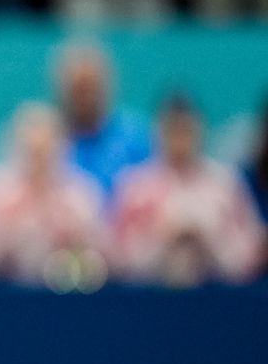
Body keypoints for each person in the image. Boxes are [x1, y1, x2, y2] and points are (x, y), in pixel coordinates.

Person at [111, 95, 265, 287]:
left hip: (219, 300)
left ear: (200, 130)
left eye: (186, 130)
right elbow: (119, 263)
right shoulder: (136, 188)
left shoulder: (225, 185)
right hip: (151, 300)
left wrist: (208, 240)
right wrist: (165, 239)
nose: (180, 139)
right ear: (159, 132)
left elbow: (251, 258)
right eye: (173, 130)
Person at [0, 102, 107, 290]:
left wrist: (73, 238)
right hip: (0, 299)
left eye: (46, 150)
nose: (39, 160)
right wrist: (7, 234)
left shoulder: (80, 194)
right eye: (32, 151)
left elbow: (102, 262)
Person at [55, 42, 151, 206]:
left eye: (90, 89)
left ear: (106, 87)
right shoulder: (47, 141)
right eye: (78, 89)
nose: (84, 98)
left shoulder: (134, 138)